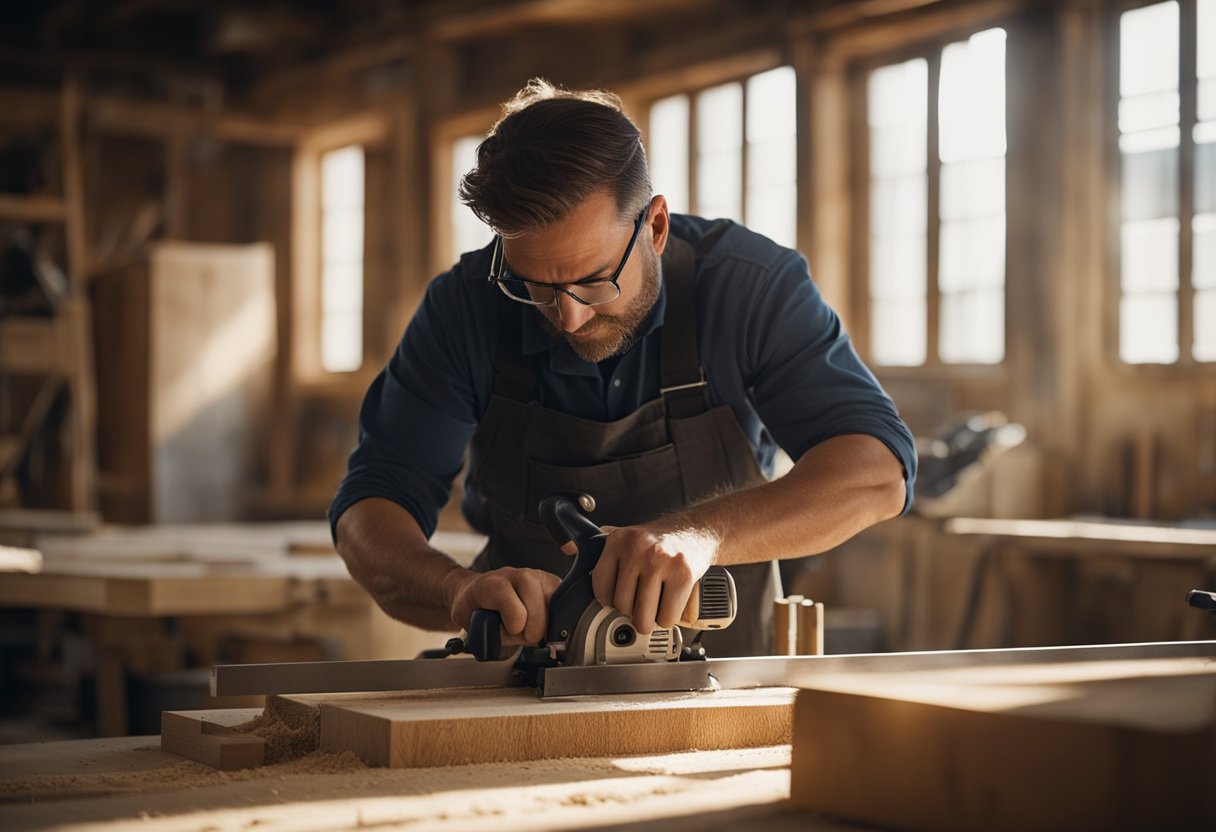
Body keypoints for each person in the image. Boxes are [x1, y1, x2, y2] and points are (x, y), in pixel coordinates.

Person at [330, 78, 917, 657]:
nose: (568, 318)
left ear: (654, 227)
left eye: (592, 281)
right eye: (534, 286)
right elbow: (370, 510)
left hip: (722, 675)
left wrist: (700, 535)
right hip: (526, 677)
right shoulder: (465, 306)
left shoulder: (749, 288)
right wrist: (455, 591)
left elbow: (877, 473)